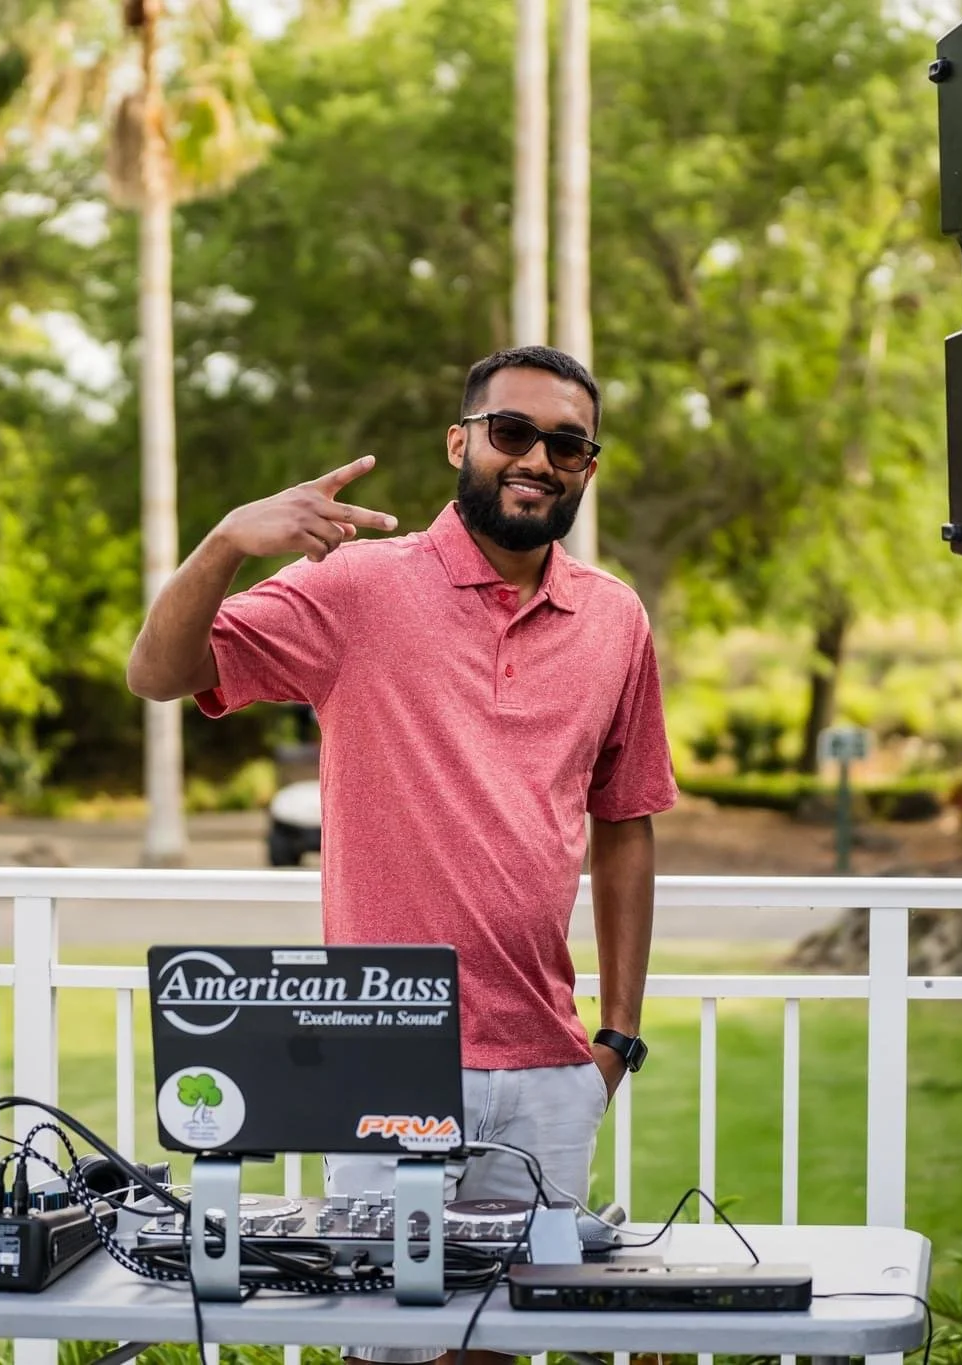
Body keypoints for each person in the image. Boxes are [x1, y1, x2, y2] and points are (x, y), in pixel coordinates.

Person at [127, 345, 676, 1361]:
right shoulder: (354, 589)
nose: (537, 460)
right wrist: (224, 545)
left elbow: (626, 821)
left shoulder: (613, 617)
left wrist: (618, 1038)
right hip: (381, 1058)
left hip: (552, 1066)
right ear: (459, 442)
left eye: (567, 444)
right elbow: (158, 673)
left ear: (585, 467)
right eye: (511, 432)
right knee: (389, 1345)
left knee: (509, 1343)